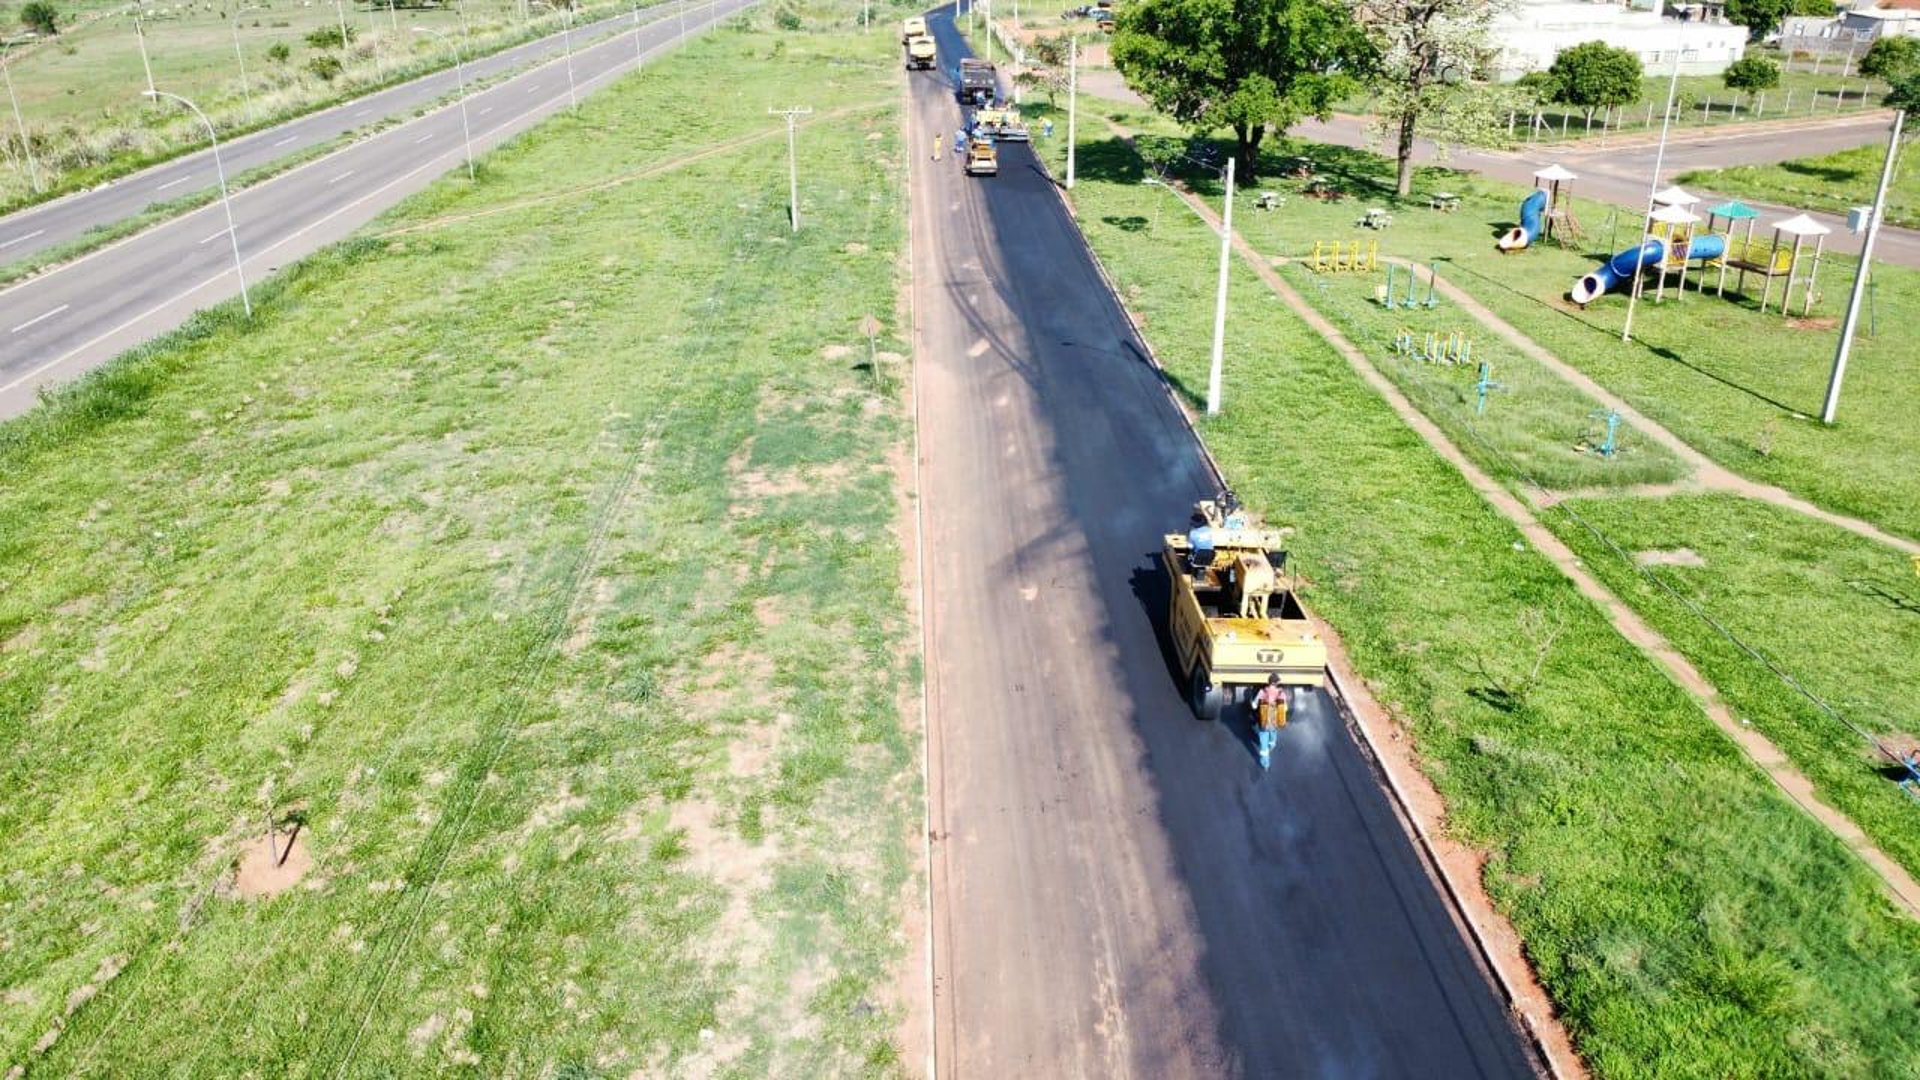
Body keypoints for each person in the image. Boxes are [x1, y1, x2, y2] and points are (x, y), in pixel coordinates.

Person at [1255, 674, 1288, 769]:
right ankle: (1272, 743)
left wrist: (1254, 704)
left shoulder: (1262, 691)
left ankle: (1265, 763)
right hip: (1274, 719)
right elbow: (1284, 708)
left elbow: (1254, 704)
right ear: (1277, 682)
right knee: (1273, 731)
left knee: (1263, 735)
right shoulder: (1281, 693)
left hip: (1265, 719)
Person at [1187, 512, 1215, 577]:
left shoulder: (1193, 533)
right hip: (1211, 555)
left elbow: (1190, 547)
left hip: (1199, 556)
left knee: (1189, 556)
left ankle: (1189, 572)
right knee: (1203, 561)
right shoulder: (1210, 530)